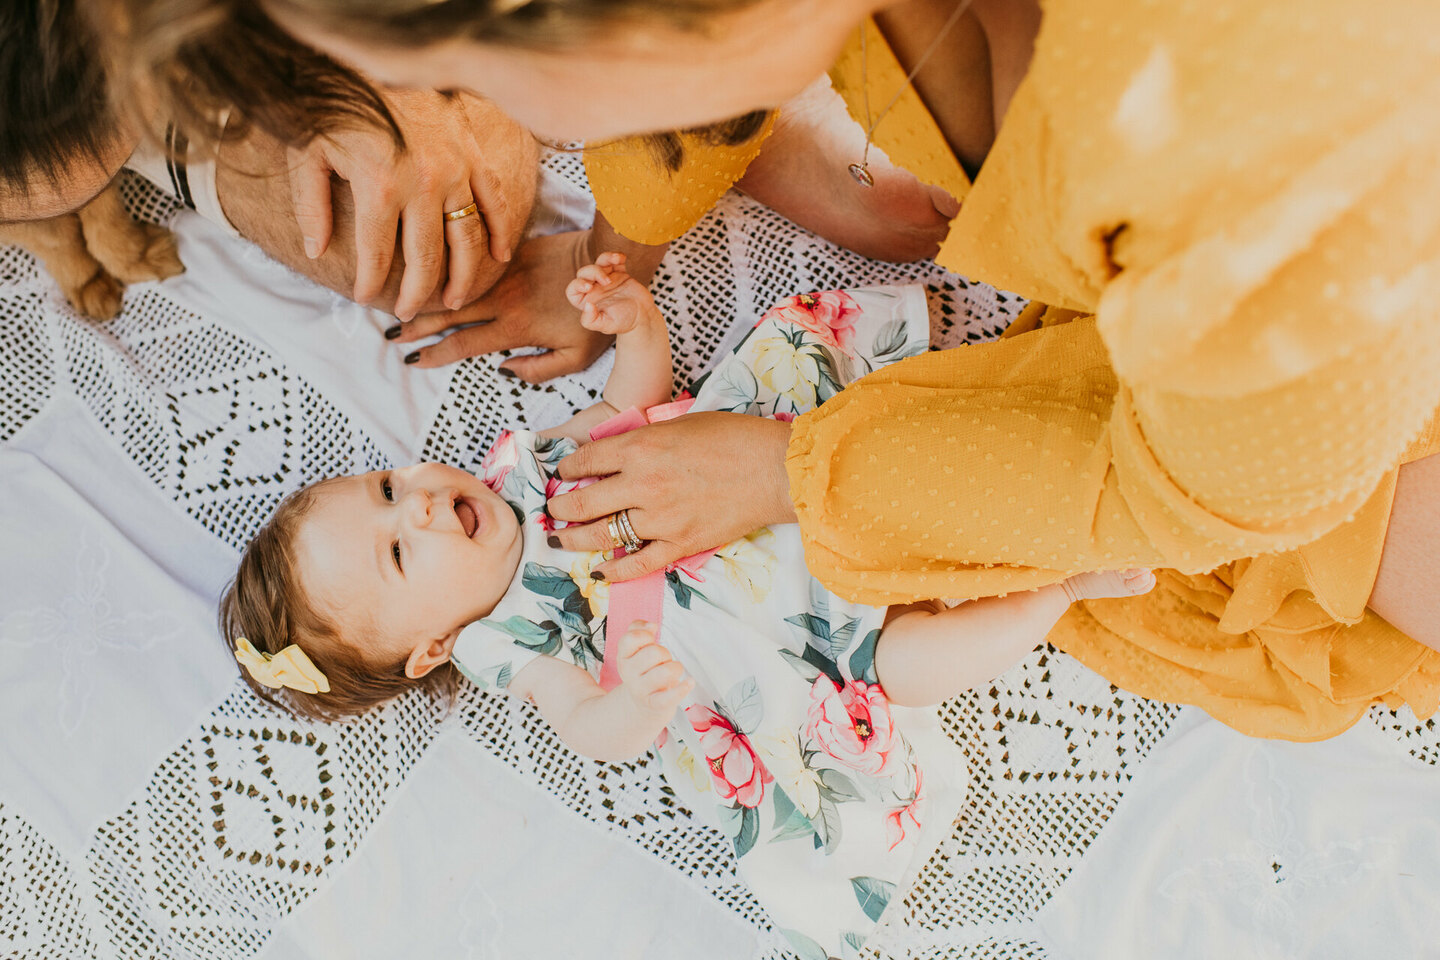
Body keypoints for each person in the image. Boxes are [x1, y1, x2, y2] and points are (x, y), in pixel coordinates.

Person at [118, 0, 1440, 740]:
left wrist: (795, 469)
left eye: (481, 81)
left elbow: (1214, 493)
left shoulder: (1262, 196)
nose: (539, 140)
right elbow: (687, 99)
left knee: (1328, 561)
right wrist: (613, 250)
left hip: (1313, 407)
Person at [221, 252, 1154, 954]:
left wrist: (634, 326)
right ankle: (1060, 587)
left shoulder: (527, 470)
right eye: (397, 552)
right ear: (429, 648)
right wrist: (635, 704)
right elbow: (586, 723)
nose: (419, 507)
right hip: (765, 641)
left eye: (388, 488)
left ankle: (961, 409)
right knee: (902, 669)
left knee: (821, 398)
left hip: (739, 494)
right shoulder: (501, 643)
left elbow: (635, 410)